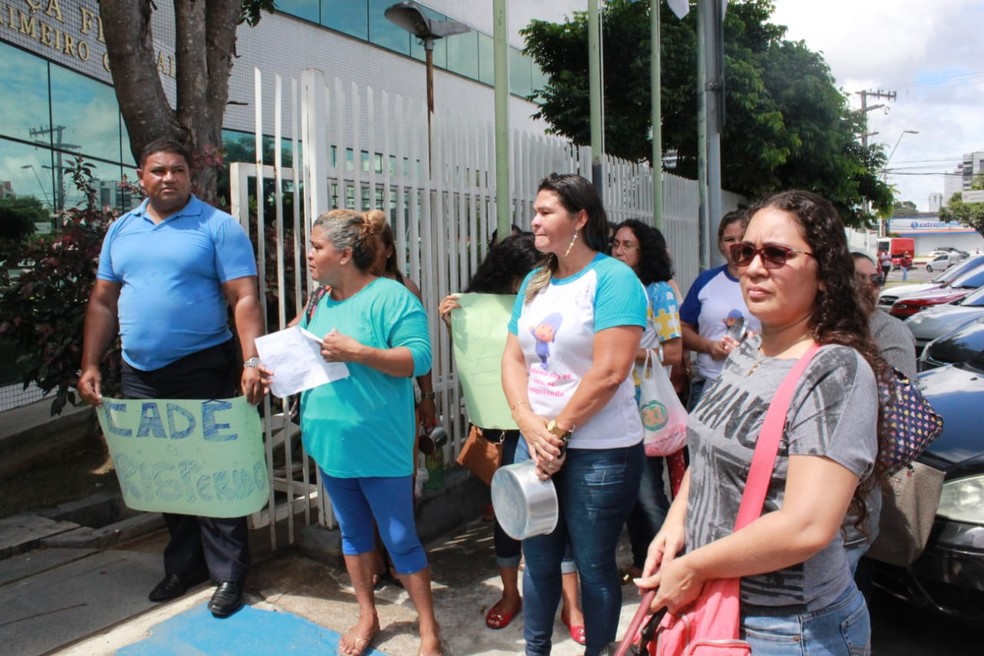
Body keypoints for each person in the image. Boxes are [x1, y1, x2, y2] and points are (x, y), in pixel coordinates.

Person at [638, 190, 890, 654]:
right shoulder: (751, 345)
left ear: (824, 274)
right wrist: (677, 524)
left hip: (789, 629)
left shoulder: (835, 371)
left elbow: (806, 525)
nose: (753, 267)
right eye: (744, 252)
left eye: (776, 254)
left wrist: (694, 567)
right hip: (720, 605)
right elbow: (711, 449)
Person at [78, 138, 271, 618]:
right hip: (140, 371)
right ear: (140, 177)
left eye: (178, 170)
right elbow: (103, 300)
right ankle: (186, 565)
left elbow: (243, 297)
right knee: (166, 471)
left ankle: (229, 573)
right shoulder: (121, 230)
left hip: (201, 365)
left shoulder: (217, 227)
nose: (169, 178)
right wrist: (91, 363)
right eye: (158, 170)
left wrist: (251, 360)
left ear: (191, 175)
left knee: (214, 469)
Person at [501, 173, 647, 656]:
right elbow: (513, 358)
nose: (534, 221)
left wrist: (556, 433)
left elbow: (609, 372)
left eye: (546, 212)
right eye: (535, 210)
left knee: (594, 565)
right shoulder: (534, 280)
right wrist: (527, 423)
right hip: (536, 444)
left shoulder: (613, 280)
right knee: (538, 562)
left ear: (580, 219)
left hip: (599, 454)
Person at [300, 208, 441, 656]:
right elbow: (297, 341)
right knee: (354, 535)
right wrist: (264, 365)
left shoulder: (392, 296)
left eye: (316, 246)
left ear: (343, 254)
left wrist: (360, 352)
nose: (309, 254)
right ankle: (367, 614)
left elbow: (419, 358)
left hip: (380, 443)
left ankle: (429, 632)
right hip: (329, 442)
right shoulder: (319, 298)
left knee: (399, 538)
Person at [438, 234, 586, 641]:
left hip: (547, 429)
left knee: (557, 515)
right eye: (532, 274)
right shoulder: (478, 307)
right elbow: (482, 365)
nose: (540, 280)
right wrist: (456, 323)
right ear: (509, 274)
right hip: (502, 432)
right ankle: (510, 594)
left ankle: (571, 605)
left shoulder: (557, 301)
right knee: (508, 516)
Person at [610, 219, 683, 582]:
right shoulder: (616, 289)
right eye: (616, 244)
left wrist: (623, 351)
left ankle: (668, 568)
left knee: (648, 493)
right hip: (616, 404)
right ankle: (643, 562)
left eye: (628, 245)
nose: (619, 251)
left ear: (644, 252)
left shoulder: (658, 292)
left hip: (646, 409)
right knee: (632, 495)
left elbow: (673, 352)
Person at [680, 210, 761, 410]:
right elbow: (682, 328)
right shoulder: (706, 281)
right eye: (729, 239)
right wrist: (709, 346)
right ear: (720, 245)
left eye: (742, 238)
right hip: (709, 382)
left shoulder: (767, 280)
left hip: (755, 383)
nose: (736, 244)